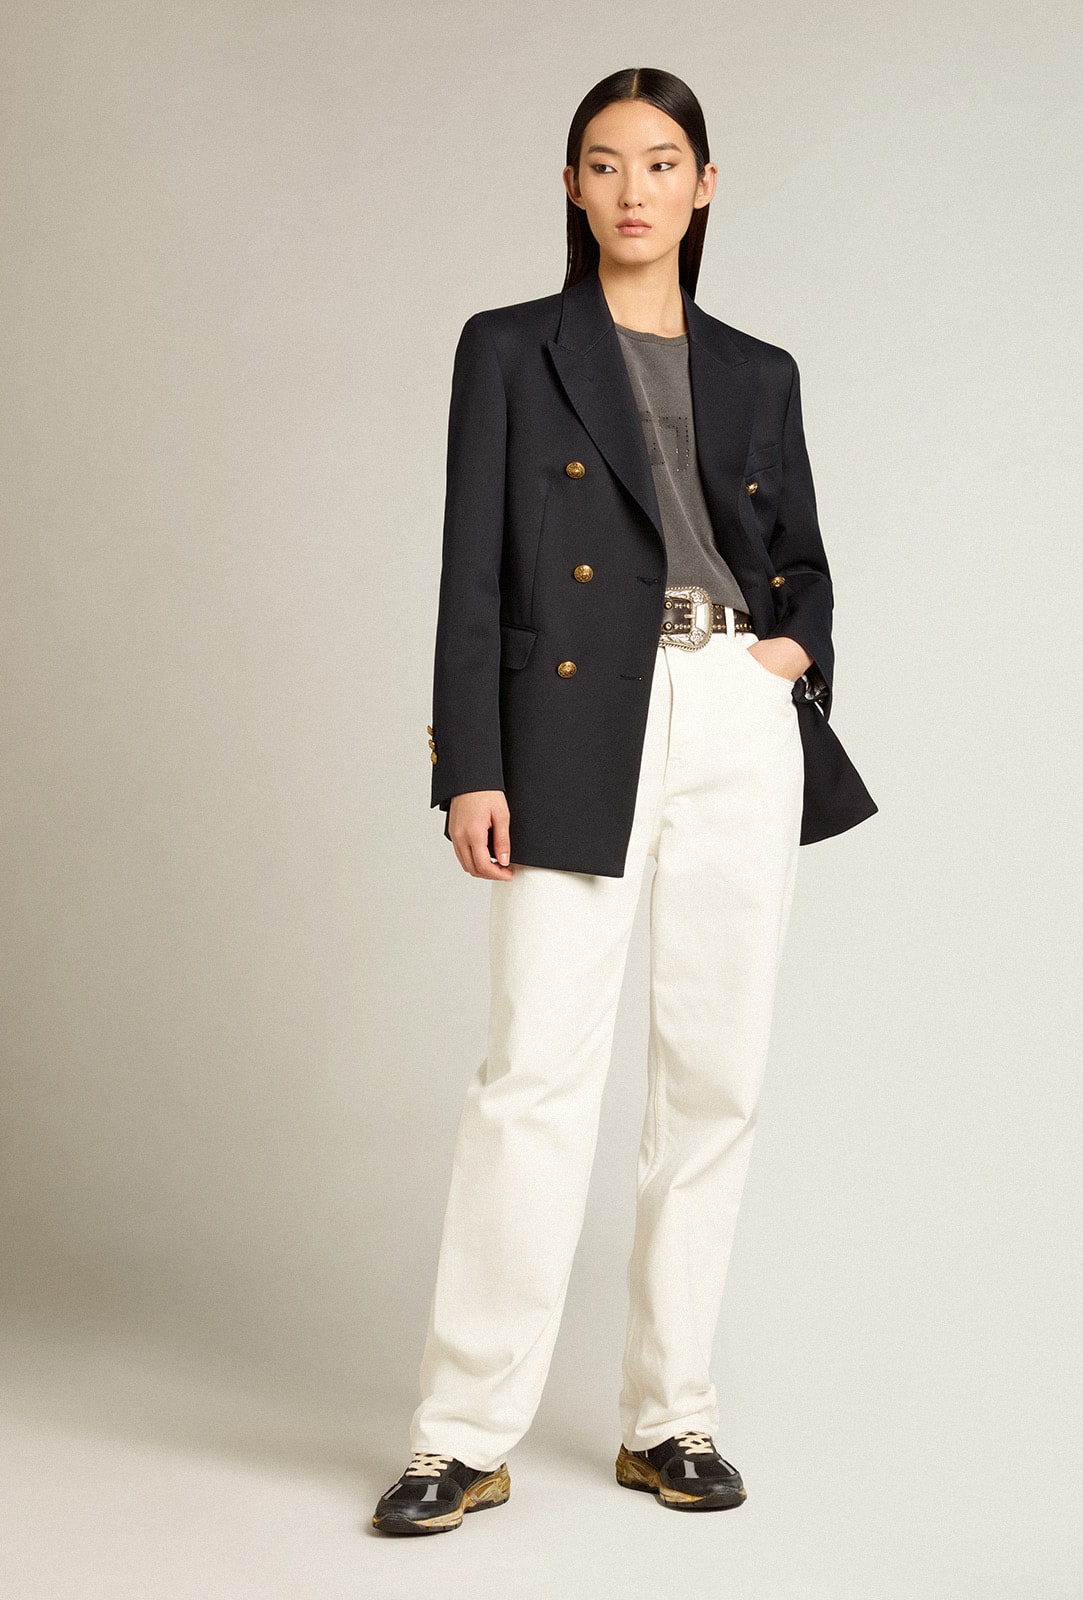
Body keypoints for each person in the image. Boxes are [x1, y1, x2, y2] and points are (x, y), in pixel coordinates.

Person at [373, 66, 878, 1536]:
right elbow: (471, 565)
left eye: (662, 163)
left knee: (714, 1080)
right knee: (533, 1075)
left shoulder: (759, 370)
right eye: (605, 163)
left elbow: (805, 563)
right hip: (570, 719)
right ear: (572, 187)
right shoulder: (509, 348)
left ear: (704, 187)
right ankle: (461, 1436)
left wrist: (787, 657)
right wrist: (470, 761)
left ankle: (672, 1419)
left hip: (733, 712)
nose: (634, 188)